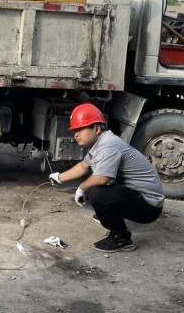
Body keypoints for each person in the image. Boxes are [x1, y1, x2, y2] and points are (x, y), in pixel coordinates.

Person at [49, 103, 164, 253]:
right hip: (139, 197)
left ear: (97, 129)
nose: (75, 134)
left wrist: (81, 188)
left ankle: (121, 239)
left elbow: (102, 178)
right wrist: (59, 177)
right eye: (75, 130)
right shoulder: (101, 143)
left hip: (149, 206)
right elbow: (83, 166)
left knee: (97, 192)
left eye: (80, 129)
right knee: (98, 185)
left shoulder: (108, 145)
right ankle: (111, 214)